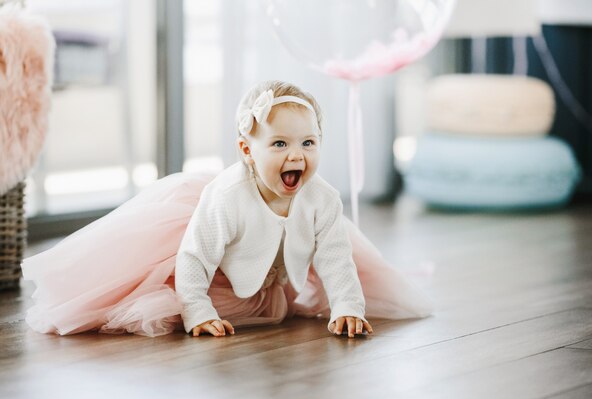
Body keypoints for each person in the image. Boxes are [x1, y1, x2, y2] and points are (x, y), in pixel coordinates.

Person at [22, 80, 433, 338]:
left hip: (268, 280)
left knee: (314, 281)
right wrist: (198, 312)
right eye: (279, 144)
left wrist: (346, 306)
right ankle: (186, 301)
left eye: (308, 143)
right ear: (247, 151)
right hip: (218, 271)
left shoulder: (321, 198)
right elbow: (195, 256)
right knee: (167, 293)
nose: (297, 155)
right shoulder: (228, 196)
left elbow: (335, 258)